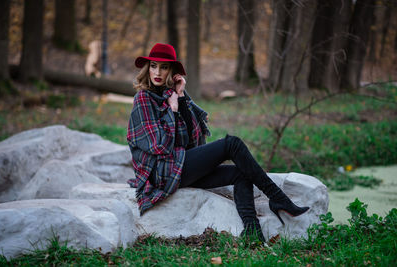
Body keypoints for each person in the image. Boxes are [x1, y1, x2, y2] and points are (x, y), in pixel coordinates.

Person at [127, 43, 309, 242]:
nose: (158, 72)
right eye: (154, 66)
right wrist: (173, 110)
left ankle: (253, 233)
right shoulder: (143, 99)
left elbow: (194, 140)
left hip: (178, 166)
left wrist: (180, 97)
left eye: (164, 67)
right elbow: (159, 146)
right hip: (161, 172)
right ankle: (278, 197)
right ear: (148, 68)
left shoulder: (172, 95)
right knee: (232, 144)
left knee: (242, 172)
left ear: (172, 71)